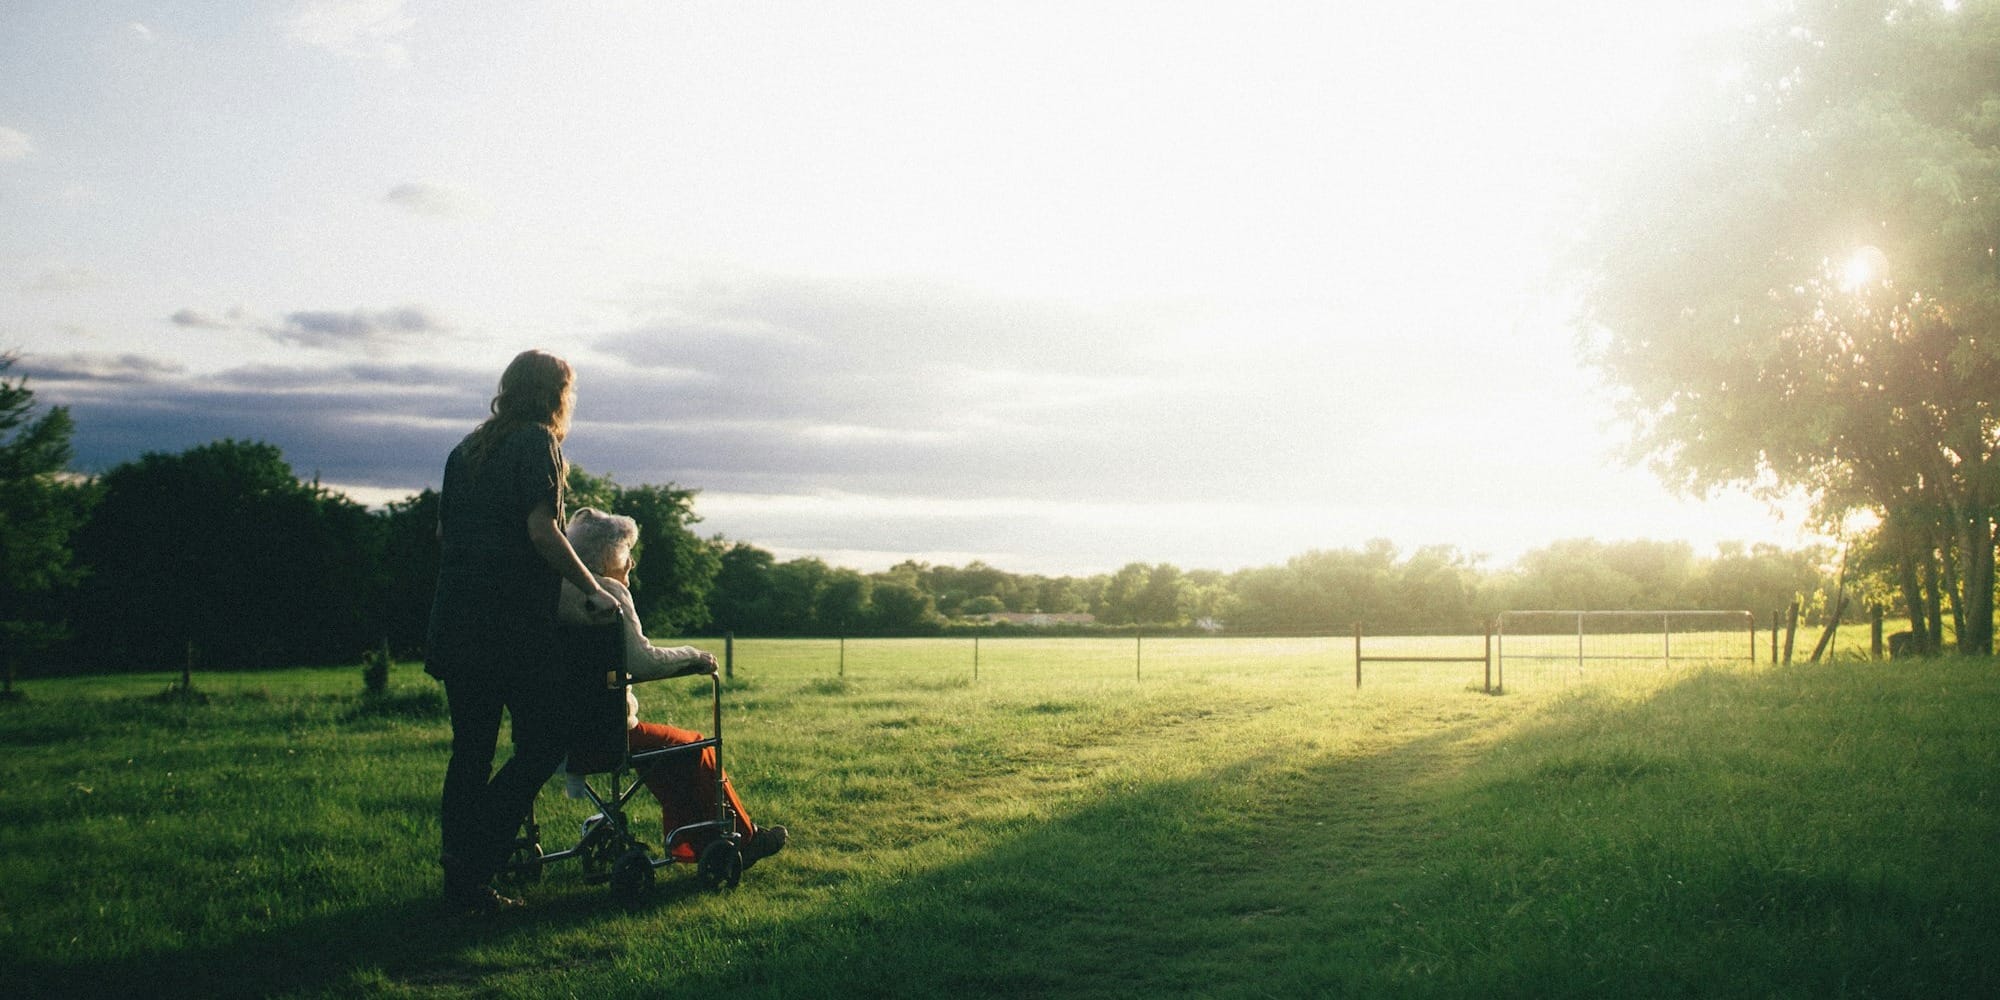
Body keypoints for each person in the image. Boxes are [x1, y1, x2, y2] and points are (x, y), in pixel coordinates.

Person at [425, 349, 621, 913]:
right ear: (557, 393)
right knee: (545, 742)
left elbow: (445, 532)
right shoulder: (538, 443)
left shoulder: (465, 450)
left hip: (456, 621)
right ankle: (474, 859)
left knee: (471, 752)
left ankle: (461, 882)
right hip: (508, 628)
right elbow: (543, 531)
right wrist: (592, 587)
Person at [557, 507, 788, 868]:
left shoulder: (558, 592)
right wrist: (694, 656)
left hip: (559, 733)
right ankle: (743, 838)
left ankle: (693, 844)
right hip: (607, 733)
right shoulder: (608, 593)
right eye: (626, 553)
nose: (631, 563)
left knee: (669, 753)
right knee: (695, 746)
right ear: (606, 556)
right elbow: (643, 662)